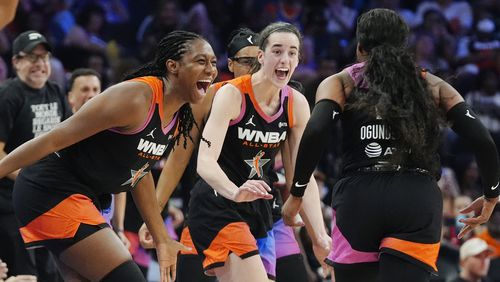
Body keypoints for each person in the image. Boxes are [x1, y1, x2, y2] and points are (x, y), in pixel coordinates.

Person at [281, 8, 499, 282]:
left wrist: (297, 192)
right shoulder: (433, 84)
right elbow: (482, 140)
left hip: (359, 198)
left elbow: (315, 132)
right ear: (403, 47)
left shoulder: (341, 82)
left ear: (360, 48)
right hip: (415, 199)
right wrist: (491, 195)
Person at [0, 30, 217, 282]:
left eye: (213, 62)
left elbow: (139, 171)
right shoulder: (135, 98)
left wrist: (162, 240)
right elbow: (53, 139)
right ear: (173, 66)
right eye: (201, 61)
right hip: (52, 190)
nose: (211, 69)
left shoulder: (179, 115)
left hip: (82, 196)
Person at [140, 27, 313, 282]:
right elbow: (179, 157)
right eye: (247, 61)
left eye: (259, 58)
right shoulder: (213, 95)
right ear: (230, 64)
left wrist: (315, 228)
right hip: (216, 205)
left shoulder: (286, 96)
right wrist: (154, 215)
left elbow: (296, 167)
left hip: (266, 211)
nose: (255, 66)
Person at [187, 21, 330, 282]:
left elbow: (302, 176)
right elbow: (204, 163)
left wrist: (319, 236)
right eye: (277, 51)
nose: (284, 59)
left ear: (298, 59)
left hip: (260, 212)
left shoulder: (296, 103)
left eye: (292, 52)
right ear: (261, 56)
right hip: (218, 204)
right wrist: (234, 191)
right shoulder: (232, 94)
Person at [0, 30, 70, 280]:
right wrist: (31, 180)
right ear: (16, 62)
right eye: (32, 57)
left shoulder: (55, 91)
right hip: (10, 204)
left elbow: (69, 142)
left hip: (46, 202)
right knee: (24, 274)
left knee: (51, 272)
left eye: (44, 57)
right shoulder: (8, 95)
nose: (40, 64)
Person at [67, 68, 130, 249]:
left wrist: (119, 229)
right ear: (71, 97)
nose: (91, 95)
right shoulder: (60, 137)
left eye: (95, 90)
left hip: (105, 226)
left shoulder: (114, 135)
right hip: (72, 230)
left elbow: (121, 185)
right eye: (85, 90)